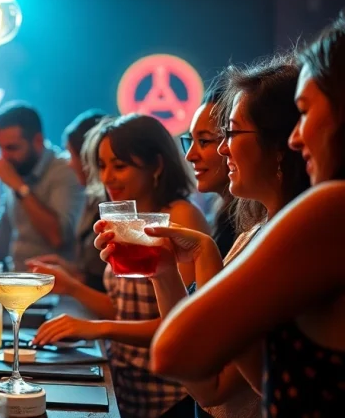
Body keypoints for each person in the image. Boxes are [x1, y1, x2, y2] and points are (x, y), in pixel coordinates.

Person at [150, 26, 345, 418]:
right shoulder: (257, 234)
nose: (296, 137)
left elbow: (173, 350)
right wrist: (163, 271)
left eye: (305, 112)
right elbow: (242, 384)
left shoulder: (332, 210)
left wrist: (209, 262)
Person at [111, 56, 308, 418]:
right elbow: (197, 380)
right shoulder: (253, 235)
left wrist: (205, 255)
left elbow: (211, 387)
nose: (221, 148)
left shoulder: (296, 250)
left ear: (282, 144)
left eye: (230, 133)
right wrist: (163, 269)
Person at [33, 114, 210, 418]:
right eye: (102, 166)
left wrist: (95, 329)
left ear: (156, 165)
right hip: (126, 388)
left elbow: (182, 324)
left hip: (166, 396)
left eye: (119, 166)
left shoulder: (178, 217)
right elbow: (125, 310)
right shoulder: (128, 217)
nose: (106, 178)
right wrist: (70, 286)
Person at [0, 102, 84, 268]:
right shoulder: (17, 170)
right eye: (0, 148)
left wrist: (20, 188)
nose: (4, 157)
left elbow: (58, 237)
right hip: (16, 278)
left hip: (53, 285)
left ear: (37, 141)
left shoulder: (64, 170)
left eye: (12, 148)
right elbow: (0, 235)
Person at [27, 109, 110, 292]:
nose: (69, 163)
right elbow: (97, 278)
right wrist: (68, 270)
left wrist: (71, 283)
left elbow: (112, 296)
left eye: (71, 155)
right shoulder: (94, 200)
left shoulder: (114, 208)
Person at [181, 75, 239, 258]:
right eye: (190, 141)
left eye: (204, 141)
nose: (190, 155)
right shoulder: (224, 216)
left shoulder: (256, 224)